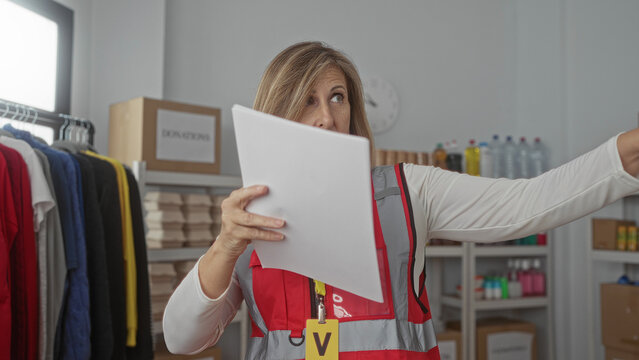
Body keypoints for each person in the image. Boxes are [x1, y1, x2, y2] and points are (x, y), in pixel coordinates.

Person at [163, 41, 639, 359]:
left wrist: (625, 154)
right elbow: (182, 338)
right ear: (276, 110)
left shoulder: (406, 190)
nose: (328, 117)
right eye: (307, 100)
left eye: (338, 97)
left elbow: (526, 203)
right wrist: (225, 245)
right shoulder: (245, 219)